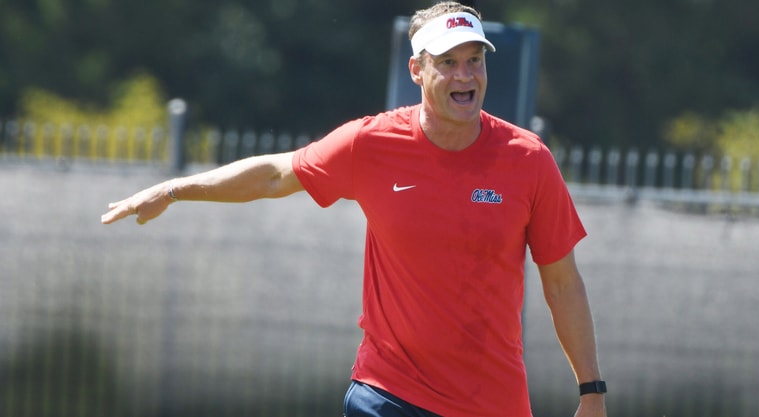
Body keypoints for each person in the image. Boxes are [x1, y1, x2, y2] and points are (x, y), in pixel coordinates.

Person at [102, 2, 607, 416]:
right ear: (417, 69)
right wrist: (174, 189)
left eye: (474, 60)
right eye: (448, 62)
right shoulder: (371, 143)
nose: (465, 75)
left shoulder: (528, 160)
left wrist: (591, 393)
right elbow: (275, 174)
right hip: (388, 396)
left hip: (493, 405)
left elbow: (562, 282)